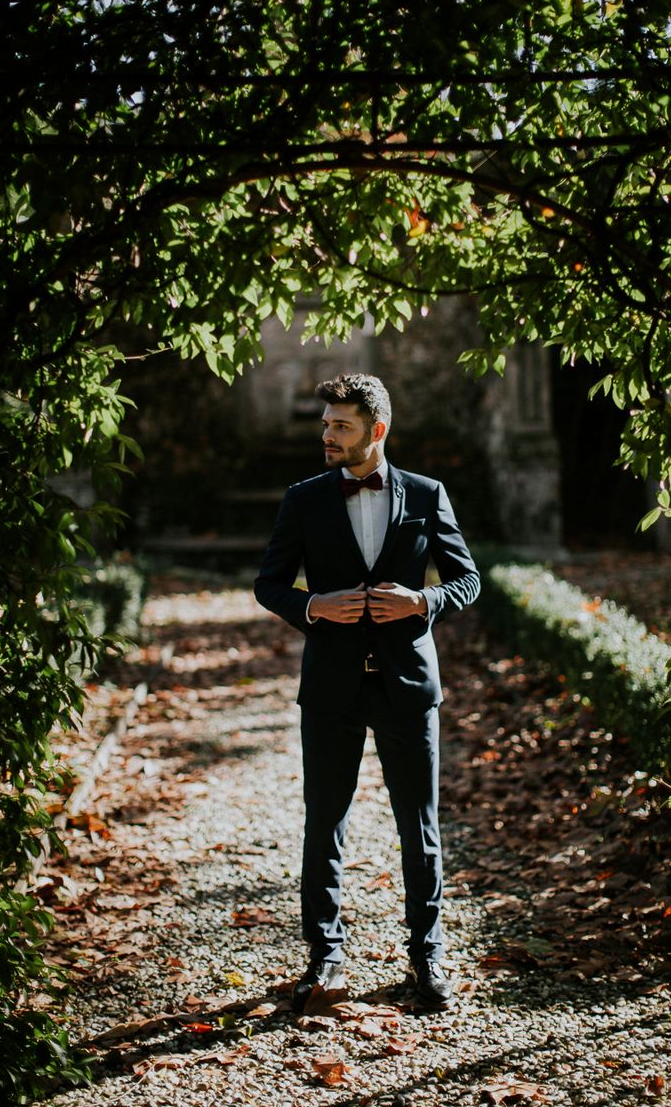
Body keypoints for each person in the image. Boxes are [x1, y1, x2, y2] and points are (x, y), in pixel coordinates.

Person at [254, 373, 479, 1012]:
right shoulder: (303, 499)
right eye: (325, 425)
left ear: (375, 431)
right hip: (330, 687)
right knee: (323, 826)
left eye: (340, 426)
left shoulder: (428, 495)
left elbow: (467, 581)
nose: (327, 435)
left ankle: (427, 957)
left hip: (408, 685)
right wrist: (315, 606)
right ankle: (324, 961)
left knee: (422, 829)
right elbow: (269, 584)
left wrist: (425, 600)